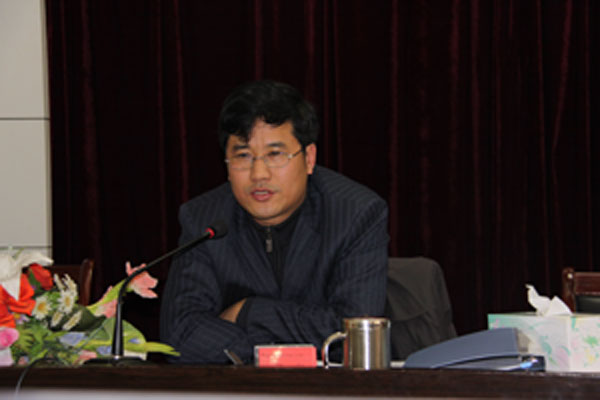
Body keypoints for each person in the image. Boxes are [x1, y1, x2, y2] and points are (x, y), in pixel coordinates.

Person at [160, 80, 389, 364]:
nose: (259, 174)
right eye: (243, 155)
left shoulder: (355, 214)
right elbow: (179, 335)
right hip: (240, 386)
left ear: (309, 158)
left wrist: (249, 313)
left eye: (275, 154)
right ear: (226, 164)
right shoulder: (204, 220)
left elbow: (355, 335)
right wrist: (268, 353)